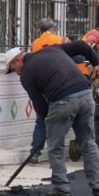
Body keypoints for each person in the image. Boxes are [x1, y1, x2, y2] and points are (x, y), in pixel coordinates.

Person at [4, 41, 99, 196]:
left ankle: (61, 187)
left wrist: (49, 125)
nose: (15, 72)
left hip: (63, 100)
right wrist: (97, 62)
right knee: (88, 142)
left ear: (18, 61)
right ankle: (98, 185)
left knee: (55, 146)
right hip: (86, 95)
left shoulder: (26, 74)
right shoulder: (52, 49)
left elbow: (40, 105)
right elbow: (81, 45)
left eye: (13, 69)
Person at [26, 18, 68, 163]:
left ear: (40, 30)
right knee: (63, 119)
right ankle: (57, 154)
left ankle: (35, 153)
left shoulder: (34, 44)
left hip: (41, 86)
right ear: (54, 28)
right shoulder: (61, 40)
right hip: (60, 85)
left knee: (41, 120)